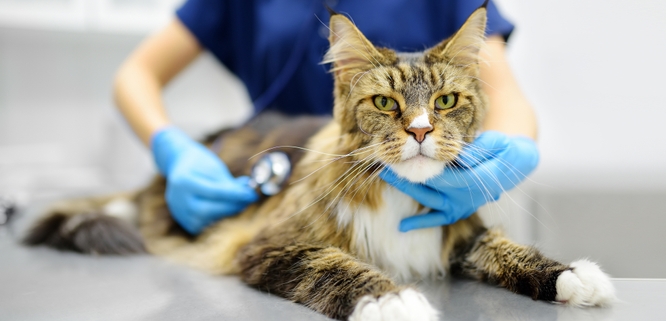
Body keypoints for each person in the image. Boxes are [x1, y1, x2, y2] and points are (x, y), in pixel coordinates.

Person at [113, 0, 539, 235]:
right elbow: (136, 74)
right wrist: (173, 149)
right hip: (282, 178)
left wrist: (510, 154)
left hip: (406, 187)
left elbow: (503, 94)